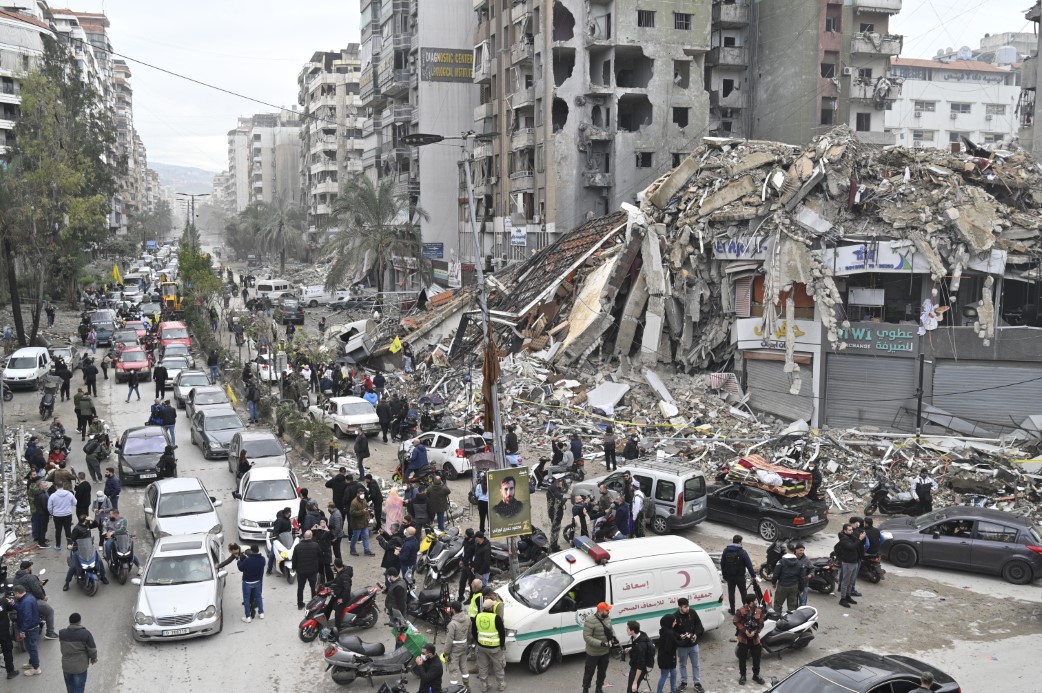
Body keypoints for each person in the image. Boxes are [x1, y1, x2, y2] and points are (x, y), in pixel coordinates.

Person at [14, 561, 58, 640]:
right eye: (31, 567)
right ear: (28, 568)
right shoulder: (29, 577)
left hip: (19, 603)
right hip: (32, 601)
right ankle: (50, 633)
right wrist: (43, 597)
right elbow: (37, 591)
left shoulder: (16, 578)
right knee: (50, 611)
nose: (32, 568)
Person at [472, 599, 506, 692]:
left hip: (481, 647)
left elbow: (473, 632)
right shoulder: (496, 618)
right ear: (491, 607)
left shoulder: (477, 616)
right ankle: (501, 685)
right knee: (498, 666)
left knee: (483, 667)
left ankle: (484, 685)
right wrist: (502, 645)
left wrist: (478, 641)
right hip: (495, 648)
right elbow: (502, 633)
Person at [59, 612, 97, 693]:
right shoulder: (85, 633)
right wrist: (94, 658)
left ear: (70, 622)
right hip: (80, 667)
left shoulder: (62, 633)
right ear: (79, 622)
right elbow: (92, 650)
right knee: (79, 687)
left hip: (66, 666)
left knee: (69, 686)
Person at [733, 592, 766, 686]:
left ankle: (756, 675)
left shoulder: (759, 611)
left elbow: (761, 624)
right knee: (742, 658)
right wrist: (745, 630)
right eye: (755, 600)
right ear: (751, 602)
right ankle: (743, 675)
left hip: (755, 639)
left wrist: (754, 632)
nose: (757, 601)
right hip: (743, 639)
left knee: (757, 658)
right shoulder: (741, 611)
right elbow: (735, 621)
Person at [582, 602, 615, 693]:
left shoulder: (607, 618)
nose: (608, 611)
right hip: (593, 653)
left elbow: (611, 630)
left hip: (605, 652)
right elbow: (587, 637)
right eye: (607, 610)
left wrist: (614, 638)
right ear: (600, 611)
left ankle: (599, 688)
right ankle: (585, 689)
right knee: (589, 672)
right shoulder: (590, 621)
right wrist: (601, 643)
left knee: (602, 672)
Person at [719, 535, 757, 615]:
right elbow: (749, 565)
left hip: (730, 576)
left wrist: (724, 575)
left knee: (731, 592)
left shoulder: (726, 550)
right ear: (740, 542)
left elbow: (722, 563)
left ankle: (732, 610)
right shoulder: (742, 552)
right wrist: (753, 576)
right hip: (740, 576)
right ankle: (746, 611)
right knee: (743, 593)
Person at [674, 597, 704, 692]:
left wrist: (696, 634)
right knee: (682, 665)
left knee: (696, 665)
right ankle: (684, 682)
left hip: (693, 644)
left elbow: (698, 624)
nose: (687, 608)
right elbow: (672, 632)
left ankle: (697, 683)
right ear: (680, 607)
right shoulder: (675, 617)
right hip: (682, 646)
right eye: (685, 607)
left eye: (688, 606)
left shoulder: (692, 612)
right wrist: (680, 636)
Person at [12, 585, 42, 676]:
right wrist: (13, 604)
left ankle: (36, 668)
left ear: (17, 593)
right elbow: (21, 609)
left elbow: (27, 619)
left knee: (32, 648)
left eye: (14, 594)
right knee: (29, 647)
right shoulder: (28, 597)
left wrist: (22, 631)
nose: (14, 596)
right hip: (32, 627)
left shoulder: (26, 602)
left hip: (30, 629)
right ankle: (31, 663)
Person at [835, 523, 863, 608]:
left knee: (851, 581)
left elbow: (858, 543)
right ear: (845, 531)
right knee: (845, 581)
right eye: (850, 530)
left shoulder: (851, 536)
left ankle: (848, 596)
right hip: (848, 563)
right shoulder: (843, 539)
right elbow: (851, 547)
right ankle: (842, 599)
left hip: (855, 562)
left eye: (852, 530)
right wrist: (860, 539)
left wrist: (861, 537)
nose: (852, 532)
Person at [771, 545, 806, 615]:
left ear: (787, 550)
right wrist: (801, 589)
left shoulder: (781, 562)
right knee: (792, 607)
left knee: (778, 605)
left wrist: (773, 583)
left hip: (782, 586)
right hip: (794, 587)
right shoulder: (800, 563)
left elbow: (775, 575)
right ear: (794, 551)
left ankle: (777, 620)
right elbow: (802, 578)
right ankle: (791, 623)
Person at [292, 529, 322, 609]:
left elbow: (294, 559)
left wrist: (293, 568)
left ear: (304, 537)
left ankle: (300, 604)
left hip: (301, 571)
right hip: (312, 571)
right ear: (311, 536)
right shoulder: (315, 545)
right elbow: (320, 555)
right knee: (313, 587)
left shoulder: (297, 546)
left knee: (300, 588)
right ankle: (313, 604)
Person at [443, 601, 470, 686]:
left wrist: (446, 654)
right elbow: (469, 633)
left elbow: (449, 641)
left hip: (454, 650)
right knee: (464, 667)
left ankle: (454, 688)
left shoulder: (452, 624)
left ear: (453, 610)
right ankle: (467, 686)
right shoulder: (467, 618)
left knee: (453, 670)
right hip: (464, 647)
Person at [237, 545, 266, 623]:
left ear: (251, 551)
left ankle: (248, 617)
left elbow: (241, 568)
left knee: (246, 599)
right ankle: (261, 613)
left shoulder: (248, 560)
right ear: (258, 550)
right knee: (259, 597)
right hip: (257, 581)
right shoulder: (262, 559)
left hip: (247, 582)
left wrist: (239, 561)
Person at [48, 481, 77, 550]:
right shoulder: (69, 494)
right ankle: (69, 544)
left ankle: (58, 545)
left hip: (57, 515)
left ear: (56, 487)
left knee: (58, 530)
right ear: (63, 486)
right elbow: (75, 502)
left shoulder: (53, 496)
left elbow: (49, 507)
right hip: (67, 514)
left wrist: (52, 513)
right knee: (68, 529)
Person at [324, 559, 353, 625]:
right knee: (328, 607)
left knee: (337, 613)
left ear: (335, 565)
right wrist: (325, 584)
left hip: (343, 597)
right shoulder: (340, 572)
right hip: (337, 594)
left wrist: (343, 599)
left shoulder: (344, 576)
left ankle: (337, 629)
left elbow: (347, 589)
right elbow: (335, 581)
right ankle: (324, 623)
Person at [266, 507, 294, 575]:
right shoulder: (279, 520)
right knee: (272, 554)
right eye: (288, 513)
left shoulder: (288, 520)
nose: (289, 514)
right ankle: (269, 570)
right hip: (278, 539)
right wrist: (275, 536)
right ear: (285, 513)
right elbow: (276, 530)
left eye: (290, 513)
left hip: (285, 539)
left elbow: (289, 530)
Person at [655, 613, 679, 693]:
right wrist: (684, 641)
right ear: (669, 622)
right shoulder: (669, 633)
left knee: (674, 673)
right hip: (666, 659)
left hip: (666, 658)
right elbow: (672, 645)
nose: (675, 623)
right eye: (674, 621)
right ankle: (659, 691)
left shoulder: (665, 631)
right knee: (664, 676)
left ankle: (673, 689)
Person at [626, 621, 652, 693]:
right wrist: (631, 648)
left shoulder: (641, 646)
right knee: (633, 690)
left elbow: (640, 666)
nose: (626, 630)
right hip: (635, 666)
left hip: (638, 669)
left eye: (628, 628)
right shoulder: (640, 634)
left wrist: (635, 682)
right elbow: (637, 646)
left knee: (631, 690)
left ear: (632, 631)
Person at [349, 489, 374, 557]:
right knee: (355, 538)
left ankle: (367, 550)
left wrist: (368, 513)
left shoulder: (364, 500)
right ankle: (352, 550)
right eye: (360, 493)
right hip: (357, 524)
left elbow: (366, 508)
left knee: (366, 537)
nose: (362, 495)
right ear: (357, 494)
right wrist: (363, 511)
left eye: (363, 493)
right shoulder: (354, 502)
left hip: (364, 523)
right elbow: (352, 513)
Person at [0, 581, 17, 679]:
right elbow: (12, 607)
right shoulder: (3, 601)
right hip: (4, 632)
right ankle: (10, 671)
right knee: (7, 650)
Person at [546, 476, 567, 552]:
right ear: (558, 482)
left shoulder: (552, 488)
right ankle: (553, 547)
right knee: (555, 530)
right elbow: (559, 501)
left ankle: (554, 545)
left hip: (553, 513)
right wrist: (563, 500)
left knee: (555, 530)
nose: (562, 484)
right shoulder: (555, 491)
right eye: (561, 483)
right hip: (556, 514)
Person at [793, 543, 813, 607]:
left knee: (803, 604)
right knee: (793, 604)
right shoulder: (791, 558)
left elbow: (812, 569)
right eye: (800, 550)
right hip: (793, 584)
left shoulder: (806, 560)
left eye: (803, 550)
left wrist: (810, 575)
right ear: (796, 550)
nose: (802, 552)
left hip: (804, 584)